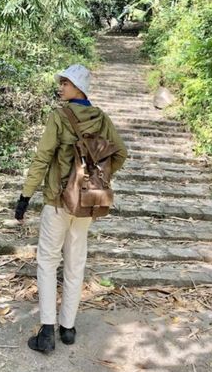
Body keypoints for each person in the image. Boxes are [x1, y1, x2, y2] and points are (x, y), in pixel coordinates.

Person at [14, 63, 127, 354]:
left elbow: (42, 158)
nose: (60, 87)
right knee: (75, 262)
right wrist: (96, 179)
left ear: (79, 87)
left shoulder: (59, 117)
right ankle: (68, 328)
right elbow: (120, 153)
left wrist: (26, 195)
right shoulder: (101, 118)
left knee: (48, 261)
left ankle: (47, 331)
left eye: (65, 82)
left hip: (57, 201)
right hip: (86, 202)